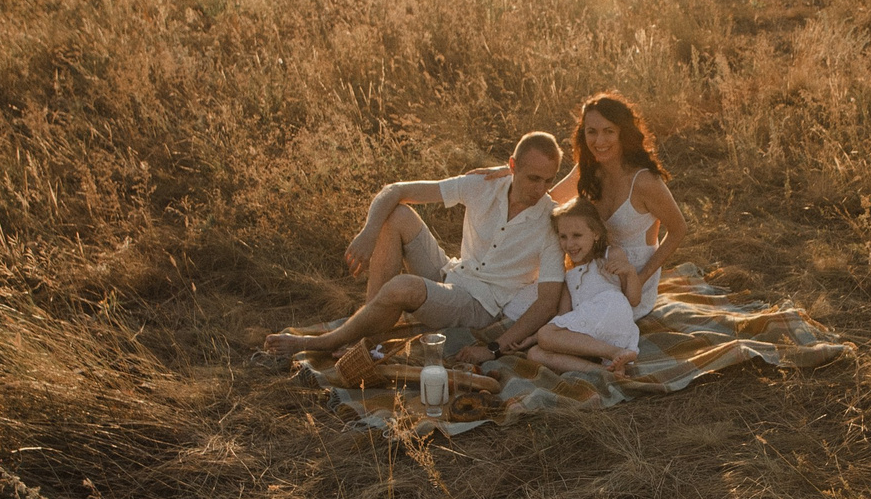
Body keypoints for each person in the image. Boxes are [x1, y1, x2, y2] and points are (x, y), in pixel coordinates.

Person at [263, 132, 567, 360]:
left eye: (547, 181)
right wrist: (368, 233)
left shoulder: (551, 221)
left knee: (403, 287)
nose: (540, 190)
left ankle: (324, 343)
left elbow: (546, 303)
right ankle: (370, 335)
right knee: (396, 215)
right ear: (512, 166)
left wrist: (493, 349)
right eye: (533, 178)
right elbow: (395, 191)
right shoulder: (483, 185)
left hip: (480, 304)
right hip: (452, 273)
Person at [550, 90, 687, 321]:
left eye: (608, 131)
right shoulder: (589, 169)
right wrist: (513, 173)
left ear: (623, 133)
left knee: (574, 322)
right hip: (593, 269)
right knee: (544, 307)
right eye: (591, 132)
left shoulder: (644, 181)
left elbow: (678, 229)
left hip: (631, 281)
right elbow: (549, 199)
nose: (599, 141)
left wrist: (641, 278)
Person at [528, 197, 644, 378]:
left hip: (610, 310)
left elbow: (634, 300)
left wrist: (630, 272)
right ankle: (605, 372)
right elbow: (562, 316)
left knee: (546, 335)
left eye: (577, 235)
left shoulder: (610, 255)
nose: (569, 244)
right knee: (535, 353)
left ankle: (615, 352)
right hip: (591, 334)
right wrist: (531, 338)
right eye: (563, 237)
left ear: (596, 233)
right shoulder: (568, 274)